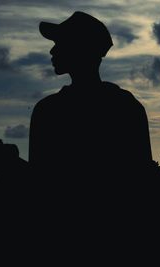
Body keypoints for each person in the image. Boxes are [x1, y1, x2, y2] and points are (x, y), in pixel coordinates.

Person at [30, 12, 152, 184]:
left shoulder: (48, 110)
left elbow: (39, 180)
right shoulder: (127, 106)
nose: (52, 50)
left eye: (60, 43)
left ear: (79, 48)